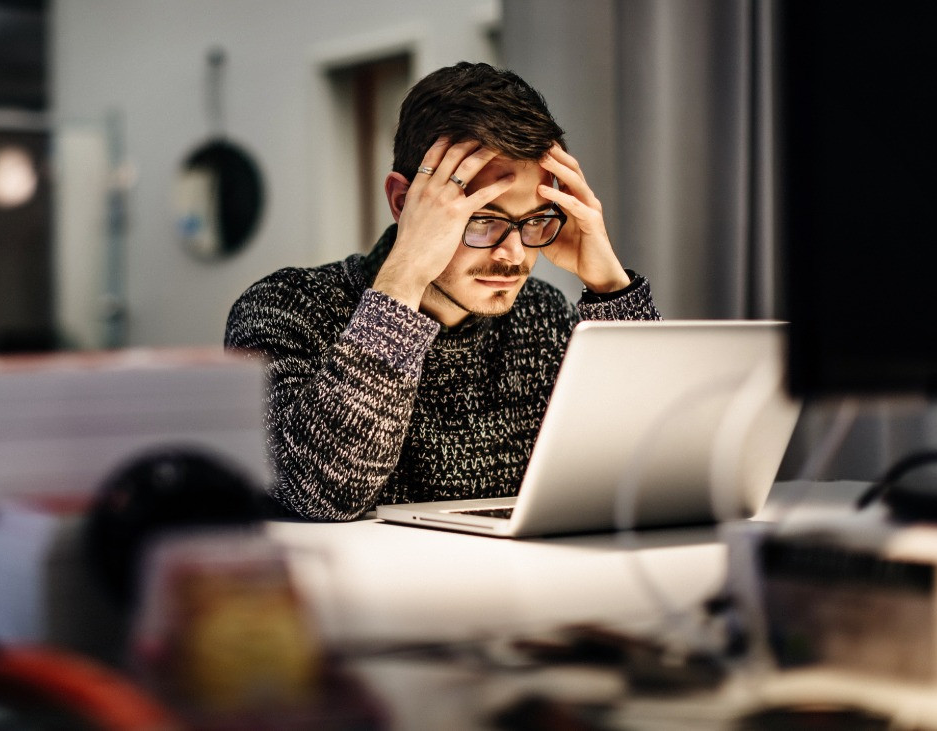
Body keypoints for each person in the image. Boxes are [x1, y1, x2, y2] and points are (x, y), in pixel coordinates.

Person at [224, 62, 660, 521]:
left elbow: (654, 467)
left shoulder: (544, 317)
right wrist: (406, 273)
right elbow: (323, 495)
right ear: (402, 202)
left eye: (534, 220)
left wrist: (612, 288)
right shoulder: (284, 308)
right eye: (483, 219)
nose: (513, 254)